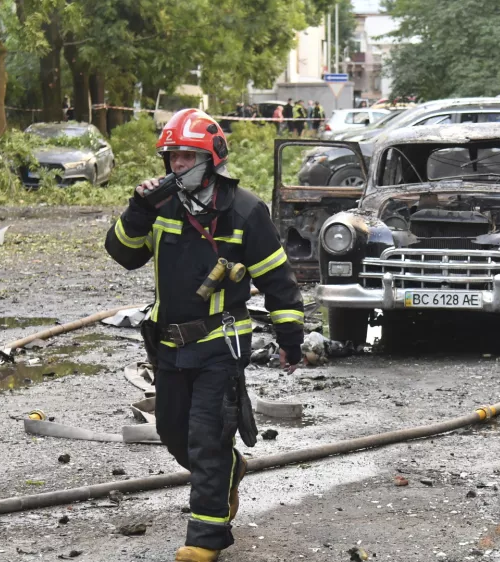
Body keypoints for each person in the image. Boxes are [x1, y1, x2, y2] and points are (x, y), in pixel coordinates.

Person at [105, 108, 305, 562]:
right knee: (173, 432)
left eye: (186, 157)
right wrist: (137, 211)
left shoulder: (246, 211)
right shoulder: (160, 208)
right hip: (170, 343)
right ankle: (231, 470)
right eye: (171, 157)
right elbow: (122, 254)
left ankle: (205, 539)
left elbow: (277, 278)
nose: (176, 165)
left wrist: (290, 337)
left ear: (211, 159)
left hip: (221, 343)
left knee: (208, 436)